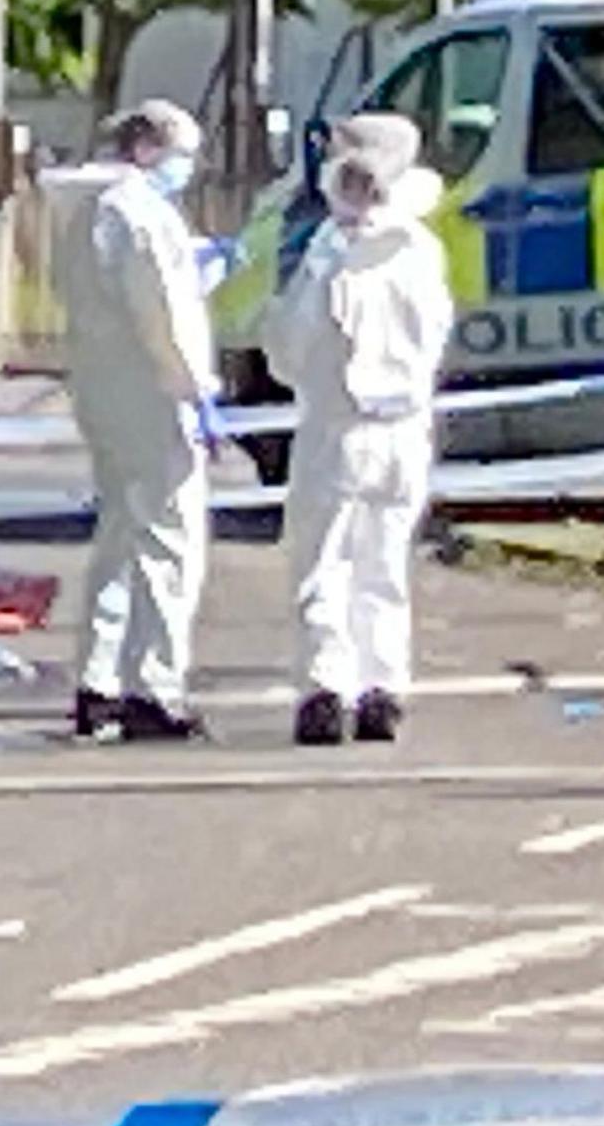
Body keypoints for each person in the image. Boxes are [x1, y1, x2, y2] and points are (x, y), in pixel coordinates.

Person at [262, 114, 454, 747]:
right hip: (405, 430)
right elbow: (434, 337)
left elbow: (288, 350)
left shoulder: (329, 255)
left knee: (324, 564)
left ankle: (325, 687)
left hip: (337, 429)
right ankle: (383, 689)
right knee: (385, 564)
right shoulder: (422, 251)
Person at [45, 100, 219, 742]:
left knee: (120, 531)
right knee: (169, 538)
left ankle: (100, 678)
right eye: (182, 154)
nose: (187, 169)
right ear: (147, 147)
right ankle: (156, 685)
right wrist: (196, 392)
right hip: (149, 390)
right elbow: (161, 312)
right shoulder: (141, 213)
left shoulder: (84, 210)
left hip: (101, 385)